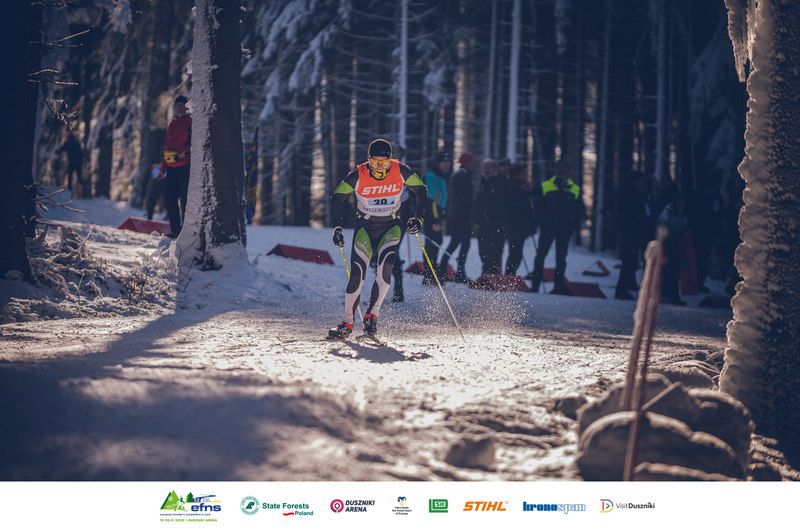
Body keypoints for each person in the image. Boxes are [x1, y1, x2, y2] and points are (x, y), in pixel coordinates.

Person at [327, 139, 427, 339]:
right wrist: (337, 228)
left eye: (384, 162)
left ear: (391, 160)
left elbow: (421, 189)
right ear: (368, 160)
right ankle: (347, 322)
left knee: (386, 268)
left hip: (391, 227)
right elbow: (337, 197)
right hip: (365, 228)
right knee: (357, 274)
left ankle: (372, 316)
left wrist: (419, 217)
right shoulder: (358, 174)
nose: (380, 166)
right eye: (375, 162)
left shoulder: (401, 170)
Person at [529, 158, 584, 293]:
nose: (561, 170)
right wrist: (542, 223)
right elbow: (537, 207)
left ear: (568, 171)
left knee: (561, 258)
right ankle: (535, 286)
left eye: (563, 168)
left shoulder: (575, 188)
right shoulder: (546, 185)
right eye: (558, 168)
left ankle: (558, 286)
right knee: (540, 256)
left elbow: (580, 211)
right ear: (555, 170)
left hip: (565, 230)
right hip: (547, 228)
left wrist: (572, 226)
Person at [156, 95, 192, 237]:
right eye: (177, 106)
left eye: (182, 105)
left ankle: (186, 232)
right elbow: (167, 148)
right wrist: (162, 169)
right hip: (171, 167)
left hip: (185, 166)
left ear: (186, 107)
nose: (179, 108)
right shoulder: (173, 124)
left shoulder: (191, 122)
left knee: (185, 200)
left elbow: (194, 145)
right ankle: (175, 230)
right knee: (170, 199)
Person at [614, 170, 650, 299]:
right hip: (630, 233)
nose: (642, 182)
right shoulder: (629, 194)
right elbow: (626, 214)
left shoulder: (634, 193)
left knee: (631, 261)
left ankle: (628, 287)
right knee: (629, 261)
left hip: (633, 232)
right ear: (634, 181)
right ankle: (625, 289)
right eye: (640, 180)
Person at [441, 152, 475, 283]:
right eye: (471, 162)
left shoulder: (459, 174)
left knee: (455, 243)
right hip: (460, 215)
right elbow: (464, 197)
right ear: (466, 163)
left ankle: (444, 269)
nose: (473, 165)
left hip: (455, 214)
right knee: (463, 243)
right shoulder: (462, 175)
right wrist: (472, 207)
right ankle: (459, 273)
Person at [687, 173, 724, 293]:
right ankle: (696, 282)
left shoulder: (718, 197)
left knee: (705, 258)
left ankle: (700, 282)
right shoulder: (701, 195)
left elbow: (719, 215)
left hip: (710, 233)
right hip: (700, 232)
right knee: (699, 258)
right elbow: (694, 213)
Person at [472, 158, 508, 274]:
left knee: (494, 250)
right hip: (482, 224)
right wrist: (476, 220)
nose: (486, 170)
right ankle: (486, 272)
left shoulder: (499, 182)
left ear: (494, 169)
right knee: (483, 250)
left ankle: (492, 271)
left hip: (495, 224)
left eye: (489, 168)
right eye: (484, 168)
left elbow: (502, 203)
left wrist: (494, 215)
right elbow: (478, 203)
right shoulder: (482, 183)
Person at [422, 151, 453, 285]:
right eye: (444, 162)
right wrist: (436, 220)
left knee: (436, 242)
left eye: (449, 163)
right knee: (432, 244)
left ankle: (431, 273)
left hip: (437, 212)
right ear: (438, 163)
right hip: (431, 214)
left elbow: (442, 199)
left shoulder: (441, 177)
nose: (447, 165)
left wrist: (443, 216)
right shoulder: (432, 176)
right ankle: (429, 276)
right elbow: (431, 199)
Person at [658, 190, 690, 305]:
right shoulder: (667, 212)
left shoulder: (683, 213)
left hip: (677, 245)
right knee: (667, 271)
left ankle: (673, 295)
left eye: (684, 203)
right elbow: (661, 227)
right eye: (680, 202)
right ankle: (665, 294)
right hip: (668, 244)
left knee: (675, 271)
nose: (682, 205)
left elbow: (685, 227)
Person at [504, 162, 534, 276]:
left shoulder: (520, 185)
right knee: (515, 254)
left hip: (519, 226)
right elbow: (518, 204)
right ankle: (509, 275)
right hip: (514, 225)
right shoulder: (512, 186)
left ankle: (510, 275)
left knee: (516, 253)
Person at [57, 132, 85, 196]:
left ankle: (83, 191)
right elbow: (62, 149)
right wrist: (58, 151)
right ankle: (70, 192)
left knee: (77, 178)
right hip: (73, 163)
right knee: (70, 177)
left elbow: (81, 152)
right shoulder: (69, 144)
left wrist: (59, 151)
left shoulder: (74, 143)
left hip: (77, 163)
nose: (67, 140)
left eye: (68, 139)